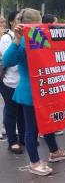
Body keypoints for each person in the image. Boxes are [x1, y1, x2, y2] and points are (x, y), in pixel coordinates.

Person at [3, 8, 65, 176]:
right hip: (30, 93)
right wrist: (17, 39)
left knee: (48, 123)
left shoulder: (40, 37)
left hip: (45, 90)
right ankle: (34, 162)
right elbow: (7, 60)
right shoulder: (24, 41)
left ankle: (54, 152)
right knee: (31, 129)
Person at [0, 11, 25, 153]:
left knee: (22, 112)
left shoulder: (28, 35)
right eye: (18, 20)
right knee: (11, 112)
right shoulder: (6, 38)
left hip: (23, 82)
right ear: (11, 22)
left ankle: (23, 138)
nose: (21, 22)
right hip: (10, 82)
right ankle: (12, 141)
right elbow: (10, 60)